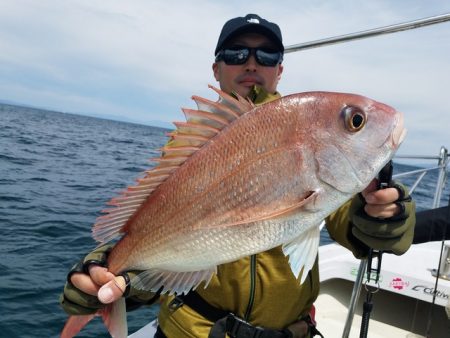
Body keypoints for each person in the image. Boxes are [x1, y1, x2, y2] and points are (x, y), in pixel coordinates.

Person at [60, 14, 416, 338]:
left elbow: (358, 232)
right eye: (235, 53)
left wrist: (385, 216)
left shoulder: (308, 138)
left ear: (280, 70)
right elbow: (159, 232)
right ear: (216, 68)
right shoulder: (186, 146)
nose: (250, 63)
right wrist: (109, 269)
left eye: (266, 56)